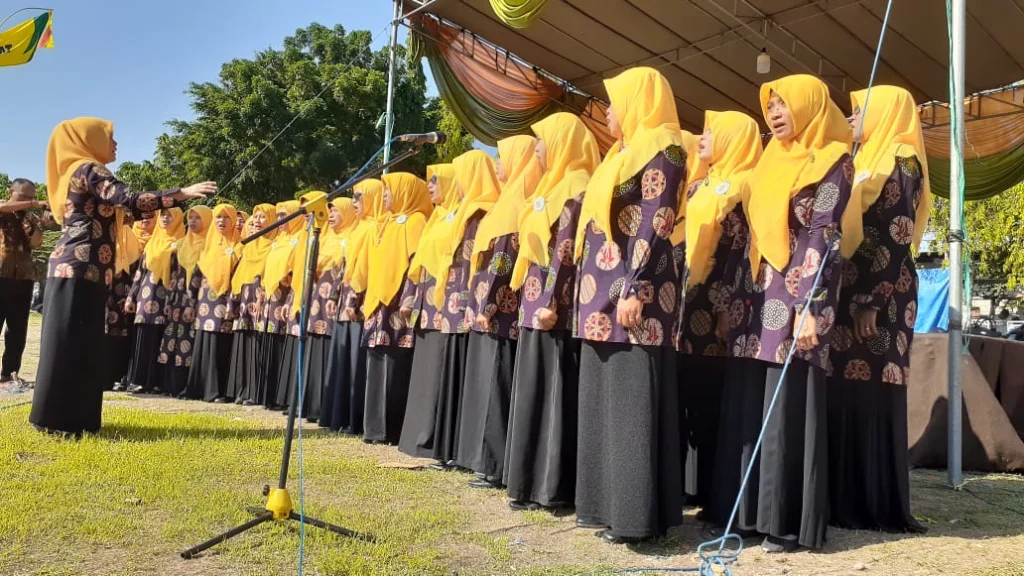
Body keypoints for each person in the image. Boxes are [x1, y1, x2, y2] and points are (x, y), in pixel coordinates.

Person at [717, 75, 852, 553]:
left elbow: (824, 233)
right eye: (770, 106)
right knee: (750, 403)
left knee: (786, 403)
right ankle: (748, 515)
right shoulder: (767, 161)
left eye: (783, 104)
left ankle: (785, 522)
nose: (774, 114)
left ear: (809, 105)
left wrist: (810, 305)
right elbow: (745, 232)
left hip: (798, 294)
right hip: (754, 296)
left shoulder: (833, 159)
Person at [31, 117, 214, 436]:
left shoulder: (77, 171)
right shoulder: (90, 169)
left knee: (75, 343)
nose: (115, 144)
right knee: (74, 343)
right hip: (80, 268)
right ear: (88, 139)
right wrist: (182, 193)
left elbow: (129, 210)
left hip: (81, 270)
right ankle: (63, 420)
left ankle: (64, 418)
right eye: (109, 137)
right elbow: (129, 199)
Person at [573, 67, 686, 544]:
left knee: (630, 403)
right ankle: (605, 506)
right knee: (605, 400)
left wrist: (635, 286)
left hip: (633, 294)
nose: (608, 113)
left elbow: (658, 219)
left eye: (615, 102)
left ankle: (635, 517)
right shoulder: (622, 153)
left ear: (639, 101)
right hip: (600, 294)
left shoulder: (665, 147)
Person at [827, 85, 930, 534]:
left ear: (886, 112)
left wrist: (871, 299)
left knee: (872, 389)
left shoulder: (903, 161)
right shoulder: (864, 158)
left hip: (882, 295)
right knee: (845, 390)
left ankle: (872, 503)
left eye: (859, 111)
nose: (852, 119)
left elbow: (896, 232)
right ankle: (844, 499)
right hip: (851, 289)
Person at [504, 113, 599, 510]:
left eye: (543, 140)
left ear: (562, 142)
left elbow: (566, 251)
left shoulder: (576, 186)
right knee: (533, 393)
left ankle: (551, 488)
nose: (538, 149)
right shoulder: (550, 186)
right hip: (534, 302)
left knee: (554, 396)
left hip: (553, 308)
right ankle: (526, 482)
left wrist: (551, 300)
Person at [676, 111, 762, 512]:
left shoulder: (747, 184)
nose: (703, 138)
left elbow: (740, 251)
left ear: (733, 138)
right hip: (688, 299)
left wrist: (727, 305)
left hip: (720, 303)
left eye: (712, 132)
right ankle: (688, 485)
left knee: (714, 391)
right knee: (688, 389)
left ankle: (714, 488)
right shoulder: (699, 186)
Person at [458, 136, 542, 488]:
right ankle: (479, 459)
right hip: (487, 309)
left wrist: (488, 304)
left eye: (502, 157)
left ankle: (492, 465)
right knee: (486, 384)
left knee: (496, 385)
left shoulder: (516, 201)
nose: (496, 164)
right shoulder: (506, 199)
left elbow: (504, 259)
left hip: (500, 312)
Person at [349, 173, 432, 444]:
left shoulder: (416, 221)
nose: (384, 195)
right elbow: (365, 266)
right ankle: (373, 428)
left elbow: (417, 264)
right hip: (377, 302)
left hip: (399, 303)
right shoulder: (383, 223)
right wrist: (357, 298)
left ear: (404, 191)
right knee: (375, 359)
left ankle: (391, 429)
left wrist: (409, 299)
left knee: (396, 363)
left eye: (389, 190)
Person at [397, 164, 459, 459]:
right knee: (424, 374)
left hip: (444, 305)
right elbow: (419, 262)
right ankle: (415, 436)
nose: (430, 186)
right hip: (426, 305)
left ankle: (431, 440)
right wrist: (411, 297)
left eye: (435, 181)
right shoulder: (436, 217)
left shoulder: (458, 215)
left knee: (437, 373)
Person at [320, 182, 379, 434]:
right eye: (353, 198)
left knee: (356, 362)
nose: (355, 202)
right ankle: (340, 417)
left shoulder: (373, 227)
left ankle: (354, 419)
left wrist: (354, 300)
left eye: (359, 197)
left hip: (361, 305)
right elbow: (347, 268)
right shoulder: (356, 228)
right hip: (346, 303)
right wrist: (335, 296)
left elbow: (367, 269)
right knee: (343, 361)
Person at [297, 198, 355, 419]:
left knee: (331, 349)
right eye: (329, 211)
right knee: (315, 349)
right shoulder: (325, 237)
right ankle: (310, 405)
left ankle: (325, 407)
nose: (331, 215)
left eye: (336, 211)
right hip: (316, 302)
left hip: (334, 301)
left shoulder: (352, 237)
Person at [185, 203, 241, 402]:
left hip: (224, 305)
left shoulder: (238, 247)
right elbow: (196, 278)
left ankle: (216, 391)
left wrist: (232, 305)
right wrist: (190, 304)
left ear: (233, 221)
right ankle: (196, 389)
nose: (221, 221)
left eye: (226, 217)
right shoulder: (208, 246)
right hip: (204, 305)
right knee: (203, 346)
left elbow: (238, 280)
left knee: (219, 347)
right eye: (218, 217)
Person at [126, 208, 184, 394]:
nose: (166, 219)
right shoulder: (152, 243)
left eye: (170, 216)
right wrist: (131, 297)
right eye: (163, 215)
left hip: (165, 299)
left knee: (160, 340)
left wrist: (174, 301)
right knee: (142, 338)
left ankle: (156, 382)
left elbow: (179, 276)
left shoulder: (180, 244)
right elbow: (140, 272)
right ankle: (137, 380)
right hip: (145, 298)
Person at [159, 205, 212, 398]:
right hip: (177, 299)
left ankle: (186, 385)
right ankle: (169, 385)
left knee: (188, 343)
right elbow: (173, 274)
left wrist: (192, 303)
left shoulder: (209, 245)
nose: (193, 221)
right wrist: (168, 301)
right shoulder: (181, 244)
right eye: (191, 217)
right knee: (172, 341)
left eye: (198, 218)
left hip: (195, 300)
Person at [227, 204, 278, 405]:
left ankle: (255, 392)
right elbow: (239, 275)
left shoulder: (273, 246)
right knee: (243, 343)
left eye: (262, 217)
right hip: (245, 298)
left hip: (260, 299)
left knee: (257, 345)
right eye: (255, 217)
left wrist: (262, 297)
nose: (257, 221)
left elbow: (270, 274)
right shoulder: (249, 246)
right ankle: (241, 390)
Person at [0, 178, 46, 391]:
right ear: (11, 192)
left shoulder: (30, 218)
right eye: (24, 196)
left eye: (32, 197)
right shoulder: (3, 207)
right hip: (1, 274)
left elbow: (34, 244)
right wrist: (35, 203)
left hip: (23, 277)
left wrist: (42, 225)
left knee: (17, 330)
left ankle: (8, 374)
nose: (28, 201)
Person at [261, 200, 305, 410]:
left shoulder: (300, 238)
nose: (280, 220)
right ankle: (271, 396)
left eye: (284, 215)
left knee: (284, 347)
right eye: (278, 216)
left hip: (289, 298)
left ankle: (286, 398)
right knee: (273, 347)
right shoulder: (280, 240)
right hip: (273, 300)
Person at [112, 211, 157, 392]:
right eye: (142, 216)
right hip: (121, 294)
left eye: (150, 216)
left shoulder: (158, 240)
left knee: (131, 335)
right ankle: (116, 376)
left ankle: (127, 375)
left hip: (143, 296)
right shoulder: (126, 234)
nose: (145, 220)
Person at [103, 209, 147, 391]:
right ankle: (101, 376)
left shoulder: (130, 237)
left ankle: (118, 376)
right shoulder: (105, 233)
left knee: (121, 335)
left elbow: (136, 267)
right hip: (105, 290)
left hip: (124, 292)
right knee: (103, 334)